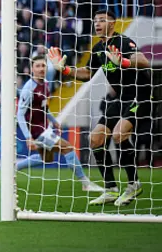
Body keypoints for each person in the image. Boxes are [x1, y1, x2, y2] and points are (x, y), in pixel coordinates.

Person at [48, 9, 153, 206]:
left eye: (102, 20)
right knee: (95, 138)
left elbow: (144, 61)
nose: (97, 24)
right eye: (95, 20)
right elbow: (88, 73)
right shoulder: (97, 49)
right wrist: (65, 69)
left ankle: (134, 184)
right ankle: (111, 188)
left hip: (141, 95)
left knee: (119, 134)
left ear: (112, 24)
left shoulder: (122, 42)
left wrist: (123, 61)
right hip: (120, 98)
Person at [16, 55, 104, 192]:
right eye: (37, 66)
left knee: (47, 159)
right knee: (67, 148)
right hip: (36, 131)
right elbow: (20, 115)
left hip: (45, 127)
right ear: (32, 69)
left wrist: (54, 121)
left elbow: (43, 107)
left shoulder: (45, 83)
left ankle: (15, 167)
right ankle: (85, 183)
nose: (41, 69)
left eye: (43, 66)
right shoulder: (29, 88)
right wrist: (28, 137)